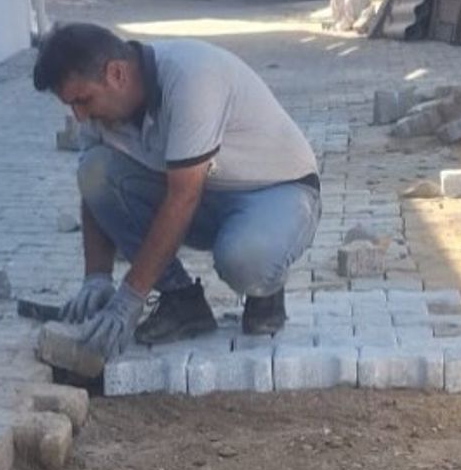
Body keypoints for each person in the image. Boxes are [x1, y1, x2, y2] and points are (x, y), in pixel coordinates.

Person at [33, 23, 322, 359]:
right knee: (95, 168)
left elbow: (183, 197)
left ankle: (266, 291)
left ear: (116, 74)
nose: (80, 116)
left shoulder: (191, 78)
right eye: (71, 105)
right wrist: (96, 277)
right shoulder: (101, 114)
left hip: (276, 191)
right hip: (201, 192)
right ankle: (182, 301)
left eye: (83, 100)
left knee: (245, 260)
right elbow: (93, 187)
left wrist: (129, 299)